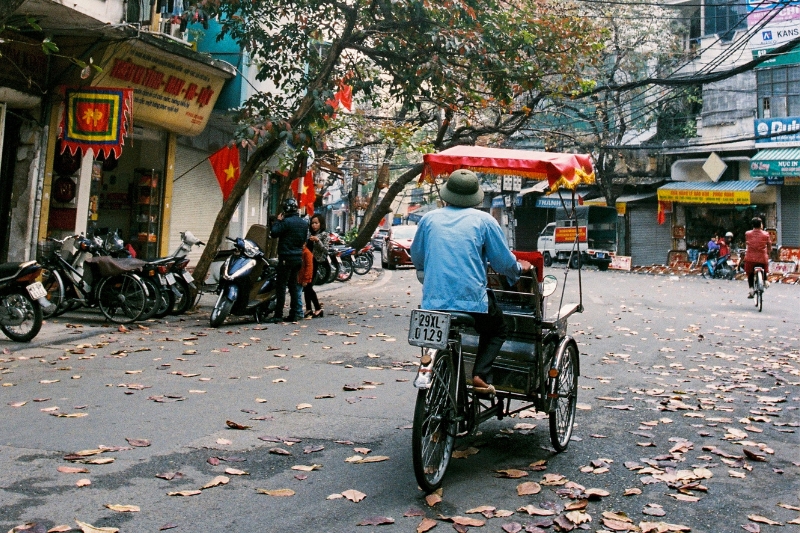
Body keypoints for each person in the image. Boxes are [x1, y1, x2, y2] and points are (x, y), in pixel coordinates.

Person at [410, 169, 531, 396]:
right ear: (475, 197)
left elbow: (417, 257)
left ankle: (433, 367)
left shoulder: (428, 219)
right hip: (472, 304)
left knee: (438, 340)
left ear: (447, 195)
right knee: (497, 329)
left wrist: (428, 276)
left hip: (433, 302)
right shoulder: (484, 221)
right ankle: (480, 375)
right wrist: (518, 269)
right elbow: (503, 262)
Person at [269, 197, 309, 322]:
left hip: (286, 257)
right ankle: (294, 313)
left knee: (281, 286)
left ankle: (278, 314)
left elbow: (274, 233)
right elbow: (304, 240)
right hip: (297, 258)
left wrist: (277, 221)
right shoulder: (303, 223)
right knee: (292, 286)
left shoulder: (285, 222)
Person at [304, 213, 328, 318]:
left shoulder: (324, 235)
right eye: (312, 223)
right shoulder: (308, 233)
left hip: (315, 262)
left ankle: (318, 308)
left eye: (316, 223)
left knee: (309, 285)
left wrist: (318, 241)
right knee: (305, 285)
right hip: (306, 261)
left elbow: (326, 249)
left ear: (321, 224)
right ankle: (308, 308)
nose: (314, 225)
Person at [744, 217, 772, 299]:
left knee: (750, 273)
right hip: (762, 258)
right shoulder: (766, 234)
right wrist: (769, 251)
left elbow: (747, 243)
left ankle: (751, 289)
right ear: (761, 225)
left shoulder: (748, 233)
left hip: (750, 258)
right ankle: (766, 280)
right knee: (765, 264)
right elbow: (769, 245)